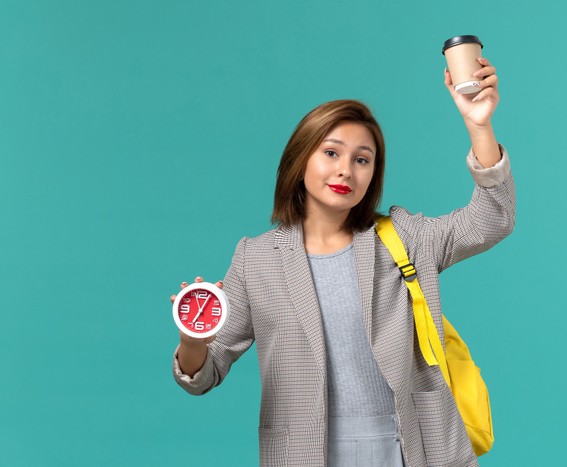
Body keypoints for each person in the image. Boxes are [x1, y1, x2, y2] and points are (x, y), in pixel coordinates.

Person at [171, 57, 515, 467]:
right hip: (304, 452)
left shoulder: (404, 238)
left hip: (407, 446)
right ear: (301, 160)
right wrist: (192, 341)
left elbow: (492, 219)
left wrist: (479, 125)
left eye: (362, 159)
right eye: (331, 153)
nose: (345, 170)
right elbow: (203, 376)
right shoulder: (256, 259)